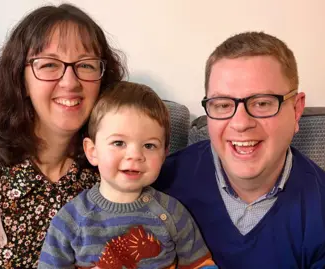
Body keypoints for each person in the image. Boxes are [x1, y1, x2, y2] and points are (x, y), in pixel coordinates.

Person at [0, 3, 126, 268]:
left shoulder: (120, 165)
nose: (70, 82)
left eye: (86, 65)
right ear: (21, 80)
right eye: (49, 64)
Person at [153, 31, 325, 268]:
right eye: (222, 104)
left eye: (262, 103)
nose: (241, 123)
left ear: (296, 109)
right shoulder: (162, 182)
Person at [38, 81, 217, 269]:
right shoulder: (70, 219)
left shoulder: (173, 213)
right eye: (118, 143)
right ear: (92, 151)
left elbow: (200, 264)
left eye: (149, 146)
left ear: (164, 154)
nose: (135, 156)